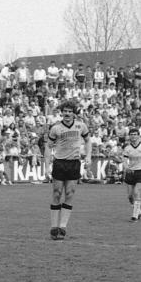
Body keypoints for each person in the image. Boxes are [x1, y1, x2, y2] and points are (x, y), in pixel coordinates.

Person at [44, 99, 91, 240]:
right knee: (57, 193)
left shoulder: (81, 126)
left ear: (74, 113)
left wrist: (88, 155)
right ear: (62, 113)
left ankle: (63, 226)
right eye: (65, 111)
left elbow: (88, 140)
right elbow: (48, 146)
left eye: (70, 111)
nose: (67, 113)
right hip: (59, 163)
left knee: (70, 193)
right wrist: (47, 165)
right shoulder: (56, 128)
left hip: (74, 163)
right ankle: (54, 226)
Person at [121, 128, 141, 222]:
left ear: (138, 135)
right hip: (130, 172)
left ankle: (134, 216)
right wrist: (126, 167)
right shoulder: (127, 148)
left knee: (137, 192)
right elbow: (124, 160)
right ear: (129, 136)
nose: (133, 136)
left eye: (135, 134)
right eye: (131, 134)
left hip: (140, 172)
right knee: (130, 196)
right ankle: (138, 211)